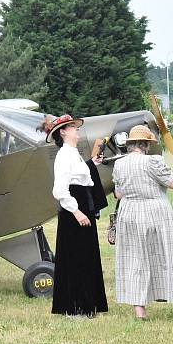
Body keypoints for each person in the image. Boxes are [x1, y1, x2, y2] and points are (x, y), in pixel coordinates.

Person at [112, 125, 173, 320]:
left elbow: (118, 193)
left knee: (134, 258)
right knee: (168, 255)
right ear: (146, 144)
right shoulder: (153, 161)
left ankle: (139, 310)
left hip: (129, 212)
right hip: (154, 211)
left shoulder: (120, 164)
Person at [45, 114, 109, 318]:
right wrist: (77, 211)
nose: (77, 130)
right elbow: (60, 189)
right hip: (75, 209)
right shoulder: (64, 155)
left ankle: (86, 304)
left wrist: (92, 164)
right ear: (63, 132)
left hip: (82, 204)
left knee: (85, 255)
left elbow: (80, 178)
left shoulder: (74, 154)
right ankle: (75, 307)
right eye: (73, 127)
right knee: (76, 257)